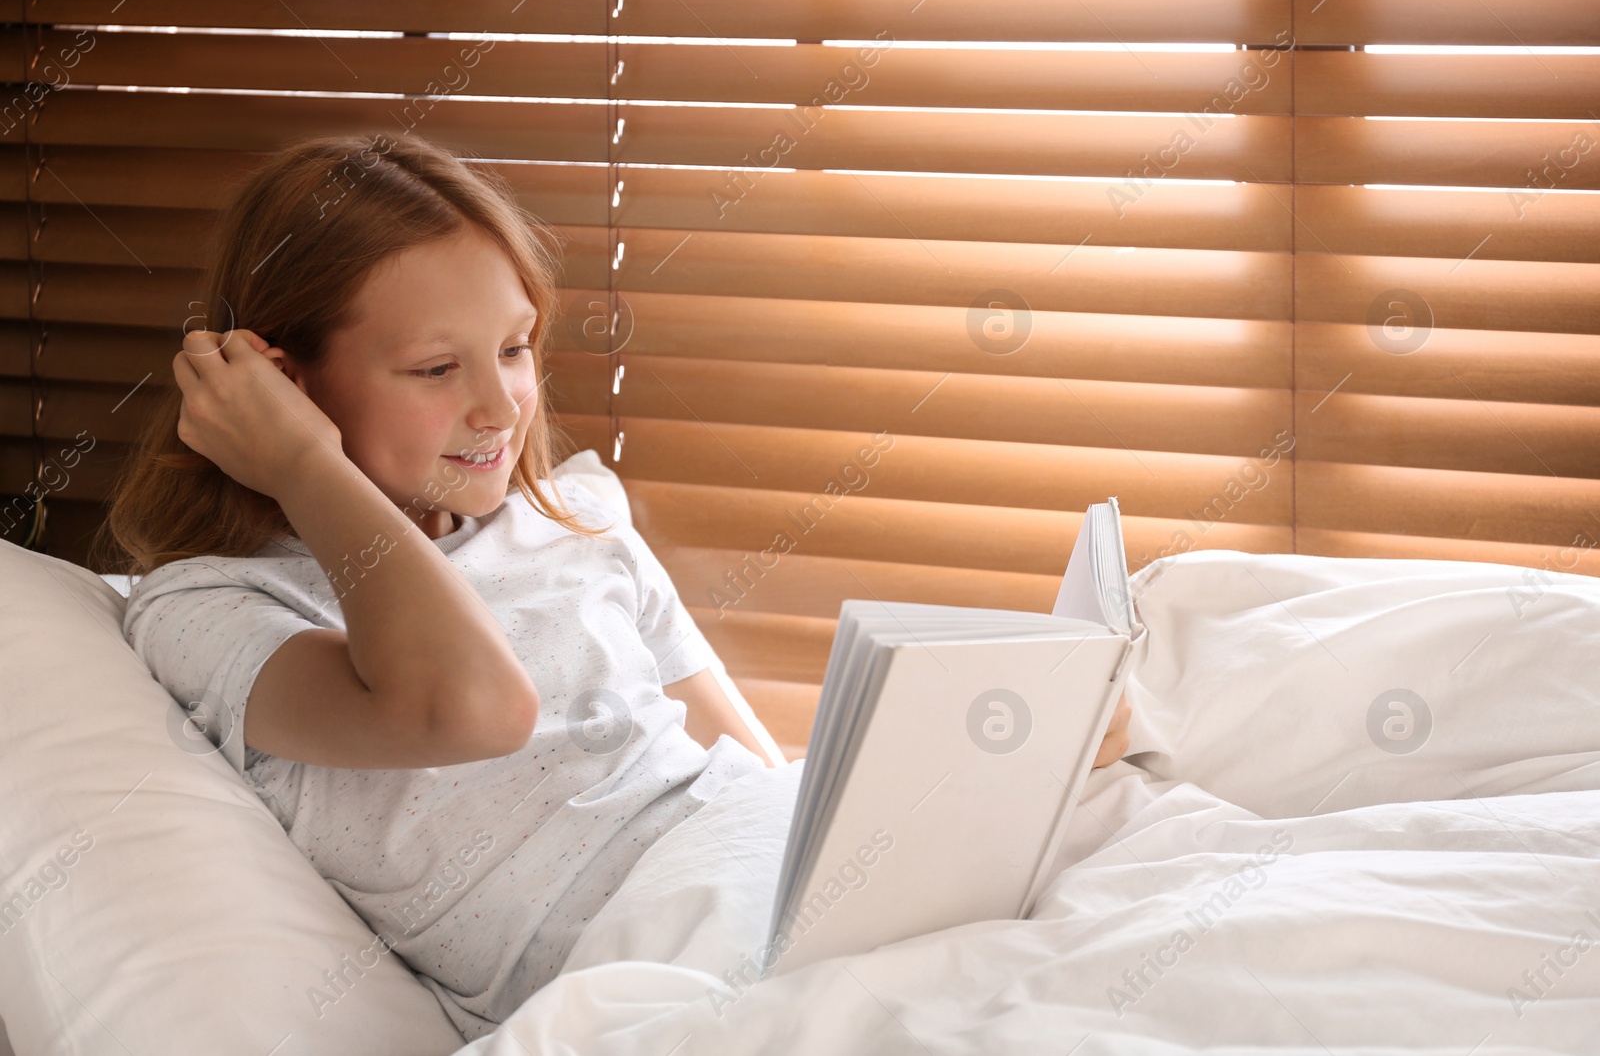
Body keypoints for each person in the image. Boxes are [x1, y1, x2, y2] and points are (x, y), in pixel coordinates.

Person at [105, 131, 1132, 1039]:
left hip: (753, 876)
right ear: (284, 385)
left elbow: (746, 767)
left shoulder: (574, 517)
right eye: (433, 368)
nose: (498, 405)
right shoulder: (211, 612)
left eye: (513, 349)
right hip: (644, 962)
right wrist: (303, 468)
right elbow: (475, 706)